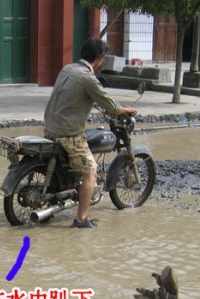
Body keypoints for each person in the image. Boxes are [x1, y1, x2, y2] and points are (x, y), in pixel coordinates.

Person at [44, 38, 137, 229]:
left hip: (51, 127)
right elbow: (110, 105)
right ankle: (81, 219)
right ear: (100, 57)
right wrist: (125, 110)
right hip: (68, 133)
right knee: (90, 173)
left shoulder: (67, 69)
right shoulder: (88, 78)